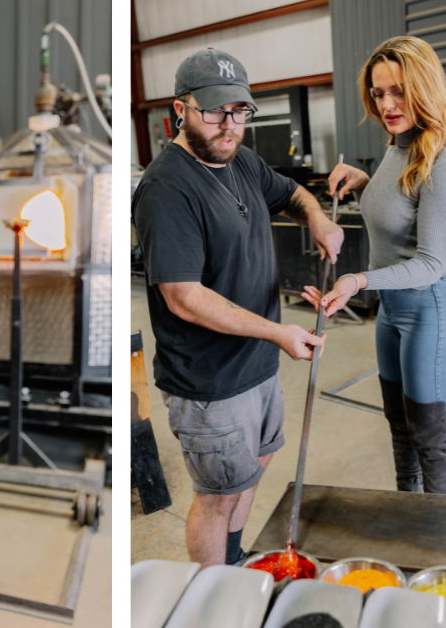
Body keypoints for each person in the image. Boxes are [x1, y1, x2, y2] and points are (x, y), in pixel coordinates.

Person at [132, 48, 344, 567]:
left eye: (240, 111)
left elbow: (292, 192)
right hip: (210, 381)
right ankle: (212, 593)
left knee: (253, 467)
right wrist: (276, 332)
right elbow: (183, 296)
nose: (229, 125)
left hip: (256, 366)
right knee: (219, 493)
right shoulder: (166, 188)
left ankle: (233, 559)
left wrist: (316, 217)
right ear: (180, 109)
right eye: (214, 112)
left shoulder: (241, 159)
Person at [304, 36, 446, 495]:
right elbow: (396, 215)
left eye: (398, 90)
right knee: (399, 427)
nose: (388, 104)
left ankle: (438, 539)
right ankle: (406, 513)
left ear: (424, 87)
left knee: (429, 435)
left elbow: (431, 261)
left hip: (431, 309)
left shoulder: (443, 161)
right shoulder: (400, 146)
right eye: (378, 94)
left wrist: (358, 280)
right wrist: (362, 184)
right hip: (394, 312)